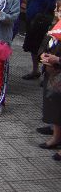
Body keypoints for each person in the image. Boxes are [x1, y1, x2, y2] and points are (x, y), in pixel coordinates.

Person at [22, 0, 61, 80]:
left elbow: (54, 4)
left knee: (46, 47)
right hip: (33, 19)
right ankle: (35, 70)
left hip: (48, 22)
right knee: (33, 46)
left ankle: (47, 75)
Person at [39, 22, 61, 159]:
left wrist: (57, 59)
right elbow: (46, 43)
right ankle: (56, 136)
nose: (57, 12)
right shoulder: (56, 26)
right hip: (53, 74)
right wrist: (43, 55)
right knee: (54, 106)